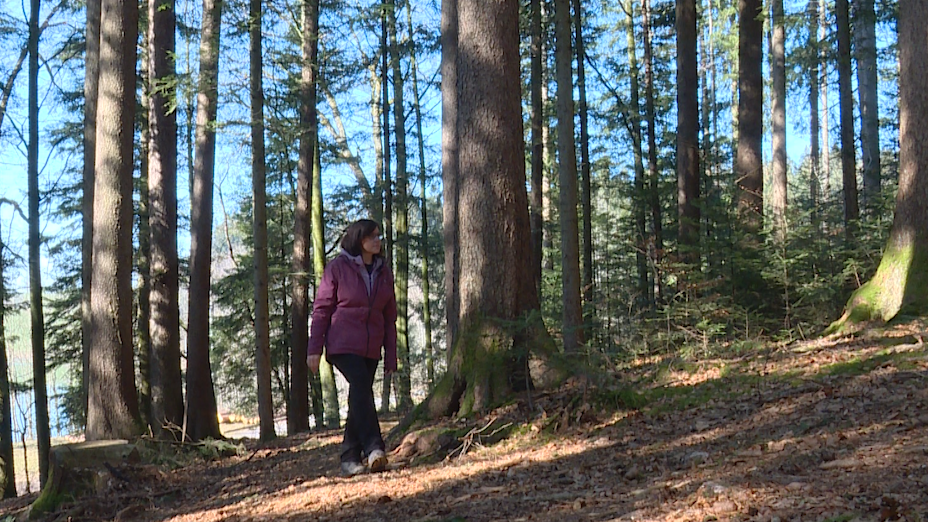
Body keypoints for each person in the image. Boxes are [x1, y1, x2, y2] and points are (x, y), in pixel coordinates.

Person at [307, 219, 397, 476]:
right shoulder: (337, 268)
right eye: (373, 237)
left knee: (360, 396)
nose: (378, 240)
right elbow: (322, 309)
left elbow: (390, 316)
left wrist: (391, 354)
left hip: (371, 346)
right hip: (342, 343)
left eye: (379, 236)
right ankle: (374, 447)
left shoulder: (383, 271)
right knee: (360, 388)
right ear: (360, 240)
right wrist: (314, 349)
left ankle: (349, 457)